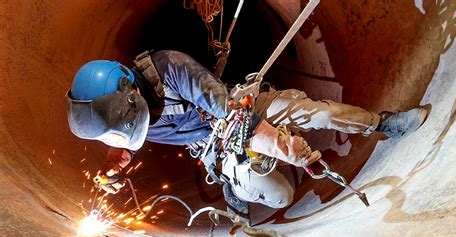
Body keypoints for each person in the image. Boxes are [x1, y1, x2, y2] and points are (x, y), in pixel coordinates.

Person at [66, 50, 427, 215]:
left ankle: (382, 123)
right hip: (214, 147)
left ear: (132, 92)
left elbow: (238, 117)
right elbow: (122, 146)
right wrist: (113, 163)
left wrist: (286, 147)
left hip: (238, 110)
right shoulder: (112, 117)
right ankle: (232, 185)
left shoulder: (172, 69)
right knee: (281, 196)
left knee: (315, 112)